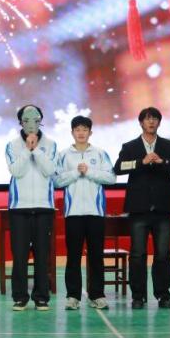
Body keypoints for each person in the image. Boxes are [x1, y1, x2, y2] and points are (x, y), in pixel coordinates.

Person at [113, 107, 170, 309]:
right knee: (137, 254)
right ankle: (138, 295)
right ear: (141, 123)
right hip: (139, 210)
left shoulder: (168, 146)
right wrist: (141, 162)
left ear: (159, 122)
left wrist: (163, 161)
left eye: (154, 119)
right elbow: (118, 168)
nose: (151, 122)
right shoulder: (130, 146)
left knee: (163, 254)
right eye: (147, 119)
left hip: (163, 209)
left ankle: (163, 294)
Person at [54, 115, 116, 310]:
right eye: (77, 130)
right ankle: (73, 296)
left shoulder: (100, 153)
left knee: (96, 256)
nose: (81, 133)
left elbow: (111, 178)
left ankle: (97, 295)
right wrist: (76, 173)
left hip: (95, 212)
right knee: (73, 256)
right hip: (73, 213)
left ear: (90, 132)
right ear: (72, 132)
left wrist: (88, 171)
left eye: (84, 129)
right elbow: (56, 181)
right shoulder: (63, 155)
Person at [5, 104, 58, 310]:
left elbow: (50, 170)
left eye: (35, 119)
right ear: (20, 122)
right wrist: (27, 150)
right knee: (19, 256)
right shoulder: (12, 145)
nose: (31, 124)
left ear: (40, 120)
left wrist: (37, 150)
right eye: (26, 120)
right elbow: (16, 171)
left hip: (44, 207)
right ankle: (20, 297)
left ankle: (41, 297)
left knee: (42, 255)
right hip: (19, 207)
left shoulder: (51, 144)